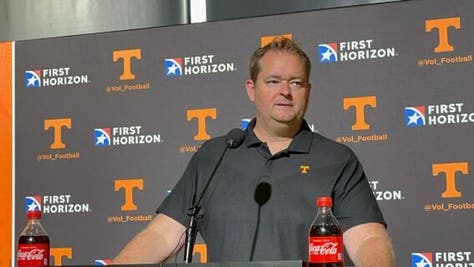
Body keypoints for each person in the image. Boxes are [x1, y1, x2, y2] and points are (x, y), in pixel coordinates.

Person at [113, 37, 395, 266]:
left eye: (296, 83)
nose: (285, 91)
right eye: (273, 81)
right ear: (251, 89)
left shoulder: (337, 159)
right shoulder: (215, 155)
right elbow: (162, 235)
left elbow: (368, 239)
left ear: (308, 91)